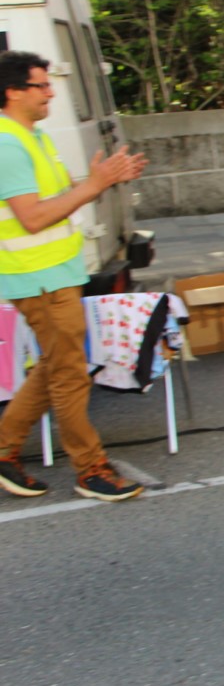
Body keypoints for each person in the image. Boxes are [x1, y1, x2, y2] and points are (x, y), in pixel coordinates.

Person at [0, 50, 148, 502]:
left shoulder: (32, 137)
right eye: (41, 85)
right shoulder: (8, 144)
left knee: (54, 369)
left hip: (55, 274)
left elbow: (59, 200)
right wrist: (93, 185)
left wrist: (98, 180)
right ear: (12, 92)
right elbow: (32, 218)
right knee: (69, 376)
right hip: (39, 277)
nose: (50, 92)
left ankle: (3, 451)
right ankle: (90, 469)